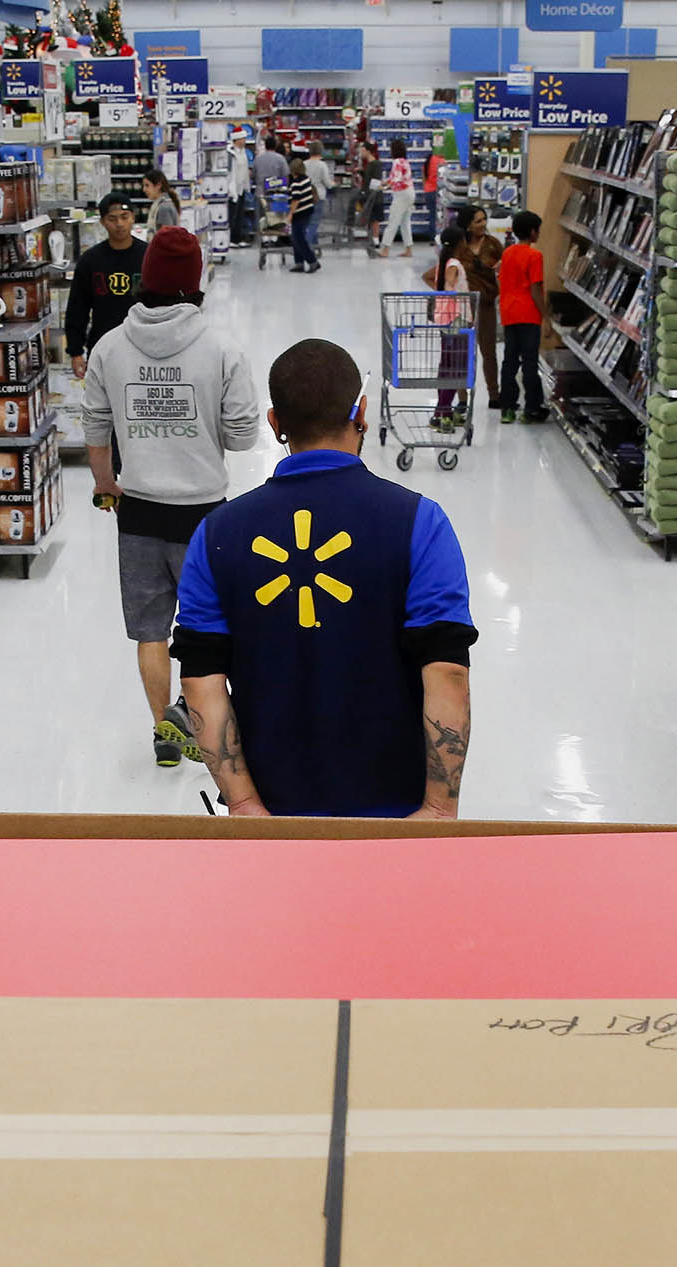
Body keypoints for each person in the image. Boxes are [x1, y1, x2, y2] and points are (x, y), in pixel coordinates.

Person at [173, 338, 475, 818]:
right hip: (393, 810)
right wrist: (438, 809)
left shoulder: (216, 535)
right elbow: (448, 672)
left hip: (273, 813)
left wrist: (245, 802)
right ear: (362, 412)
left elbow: (202, 681)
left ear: (275, 423)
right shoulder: (421, 523)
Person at [81, 228, 262, 768]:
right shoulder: (222, 349)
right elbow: (244, 434)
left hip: (136, 510)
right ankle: (200, 717)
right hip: (205, 515)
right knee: (207, 629)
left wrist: (105, 483)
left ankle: (164, 727)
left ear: (146, 279)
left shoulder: (109, 346)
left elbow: (95, 426)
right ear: (195, 282)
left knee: (150, 630)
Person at [65, 193, 147, 381]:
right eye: (112, 219)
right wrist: (76, 351)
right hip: (102, 347)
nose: (119, 224)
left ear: (133, 217)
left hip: (143, 346)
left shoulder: (149, 256)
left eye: (124, 217)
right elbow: (78, 308)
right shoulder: (90, 261)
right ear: (102, 222)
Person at [497, 209, 547, 424]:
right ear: (533, 231)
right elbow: (536, 288)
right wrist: (546, 316)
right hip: (528, 314)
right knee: (529, 362)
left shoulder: (507, 253)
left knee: (510, 361)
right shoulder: (535, 256)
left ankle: (507, 408)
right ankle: (531, 408)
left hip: (509, 312)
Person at [423, 225, 469, 428]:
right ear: (460, 243)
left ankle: (444, 409)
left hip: (445, 319)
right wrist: (453, 293)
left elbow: (438, 282)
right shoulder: (454, 264)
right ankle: (442, 410)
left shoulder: (443, 262)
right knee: (456, 368)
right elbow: (451, 282)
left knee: (447, 365)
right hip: (456, 320)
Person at [464, 205, 504, 410]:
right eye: (478, 221)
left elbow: (504, 269)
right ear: (468, 225)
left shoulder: (493, 245)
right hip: (462, 307)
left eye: (484, 220)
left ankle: (494, 395)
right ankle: (461, 399)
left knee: (488, 351)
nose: (483, 224)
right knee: (461, 352)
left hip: (486, 305)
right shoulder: (459, 246)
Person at [378, 140, 415, 258]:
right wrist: (385, 183)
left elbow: (397, 178)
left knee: (393, 221)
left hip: (401, 195)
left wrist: (386, 186)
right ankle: (408, 249)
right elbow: (395, 177)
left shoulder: (397, 162)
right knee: (405, 222)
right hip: (410, 193)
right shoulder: (405, 161)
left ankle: (385, 249)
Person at [287, 147, 319, 273]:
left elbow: (296, 200)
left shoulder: (295, 183)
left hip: (299, 214)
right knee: (297, 238)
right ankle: (299, 263)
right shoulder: (306, 179)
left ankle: (312, 261)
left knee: (299, 239)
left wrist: (290, 214)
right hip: (308, 211)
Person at [304, 144, 335, 253]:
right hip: (318, 196)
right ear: (321, 151)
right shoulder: (322, 165)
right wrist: (334, 184)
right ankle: (306, 247)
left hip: (305, 196)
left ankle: (315, 247)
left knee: (308, 222)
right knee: (314, 223)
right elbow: (327, 182)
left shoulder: (304, 164)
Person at [355, 140, 383, 243]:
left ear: (368, 151)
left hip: (374, 198)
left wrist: (367, 194)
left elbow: (375, 182)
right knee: (371, 220)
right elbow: (369, 179)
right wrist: (362, 172)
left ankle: (376, 241)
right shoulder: (370, 164)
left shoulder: (376, 164)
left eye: (362, 151)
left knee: (374, 220)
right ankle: (373, 240)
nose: (361, 153)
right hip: (370, 197)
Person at [140, 169, 180, 236]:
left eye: (147, 185)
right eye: (143, 186)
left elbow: (166, 237)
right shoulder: (159, 204)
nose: (144, 189)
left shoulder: (164, 208)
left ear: (158, 185)